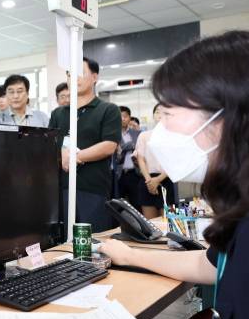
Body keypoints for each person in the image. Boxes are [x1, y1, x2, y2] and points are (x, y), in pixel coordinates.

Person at [43, 30, 249, 319]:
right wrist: (130, 256)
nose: (160, 131)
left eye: (169, 114)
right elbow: (211, 265)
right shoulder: (245, 205)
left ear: (226, 116)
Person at [48, 58, 121, 232]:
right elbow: (50, 144)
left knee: (93, 240)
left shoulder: (108, 109)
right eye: (69, 74)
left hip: (92, 188)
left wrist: (74, 157)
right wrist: (60, 155)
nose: (74, 78)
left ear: (95, 77)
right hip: (62, 189)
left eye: (80, 73)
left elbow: (109, 145)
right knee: (64, 240)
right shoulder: (58, 113)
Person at [134, 104, 175, 219]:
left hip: (166, 180)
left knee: (168, 222)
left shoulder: (174, 137)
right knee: (150, 223)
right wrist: (149, 180)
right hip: (147, 180)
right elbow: (140, 159)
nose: (160, 115)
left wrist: (158, 179)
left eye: (164, 112)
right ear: (153, 116)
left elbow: (174, 163)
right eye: (157, 112)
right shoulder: (144, 135)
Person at [116, 106, 141, 211]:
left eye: (125, 116)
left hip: (134, 173)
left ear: (129, 118)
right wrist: (130, 145)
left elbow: (140, 149)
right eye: (120, 116)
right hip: (119, 174)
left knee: (137, 204)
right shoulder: (113, 133)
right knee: (119, 205)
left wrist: (123, 148)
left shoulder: (137, 133)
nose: (122, 119)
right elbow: (116, 154)